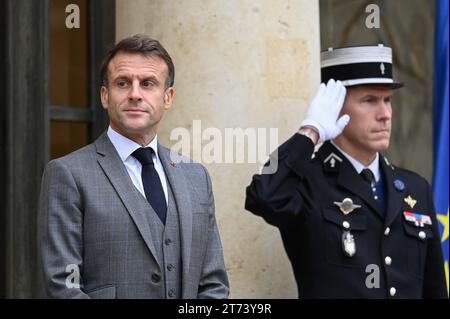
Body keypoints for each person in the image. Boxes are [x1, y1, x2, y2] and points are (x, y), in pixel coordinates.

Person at [245, 45, 447, 298]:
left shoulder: (414, 188)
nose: (384, 114)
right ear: (336, 107)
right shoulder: (308, 182)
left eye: (387, 100)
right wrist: (311, 132)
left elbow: (434, 289)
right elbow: (263, 197)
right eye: (370, 101)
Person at [39, 34, 229, 299]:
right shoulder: (68, 174)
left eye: (148, 84)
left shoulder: (196, 177)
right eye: (123, 83)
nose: (135, 94)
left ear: (167, 97)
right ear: (105, 96)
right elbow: (63, 285)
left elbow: (214, 284)